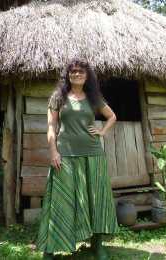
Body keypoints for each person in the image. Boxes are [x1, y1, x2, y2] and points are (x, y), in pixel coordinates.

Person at [37, 58, 119, 260]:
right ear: (68, 75)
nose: (77, 74)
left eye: (81, 71)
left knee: (96, 200)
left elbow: (112, 116)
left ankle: (97, 245)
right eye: (73, 71)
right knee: (60, 201)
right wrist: (53, 152)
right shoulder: (58, 97)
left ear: (87, 75)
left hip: (93, 155)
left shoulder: (94, 98)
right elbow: (50, 127)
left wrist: (101, 132)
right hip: (65, 155)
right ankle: (50, 249)